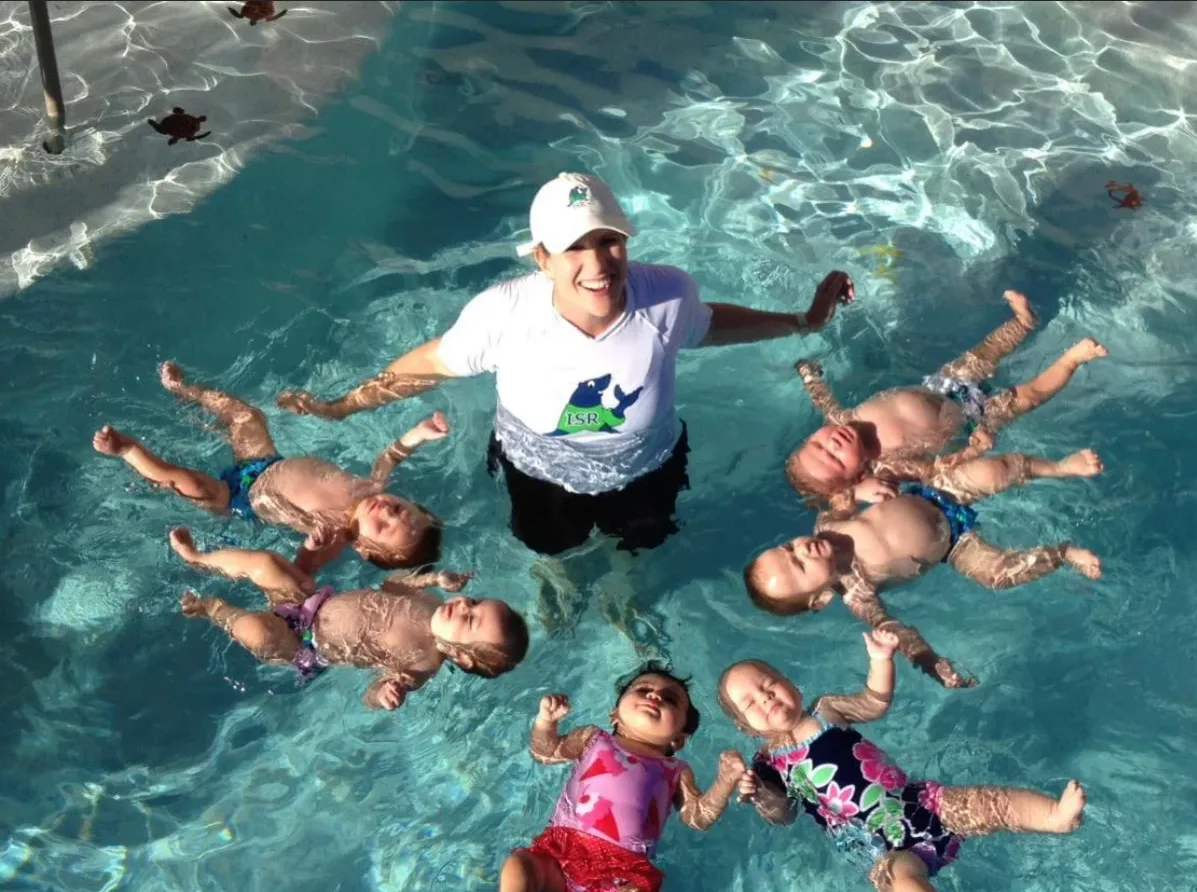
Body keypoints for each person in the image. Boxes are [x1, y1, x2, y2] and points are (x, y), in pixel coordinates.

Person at [275, 172, 855, 558]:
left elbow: (710, 324)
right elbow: (425, 366)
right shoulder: (504, 314)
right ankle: (559, 583)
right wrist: (343, 406)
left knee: (642, 544)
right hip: (538, 471)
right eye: (576, 247)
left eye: (609, 241)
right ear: (544, 258)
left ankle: (623, 596)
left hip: (648, 464)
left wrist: (804, 321)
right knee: (550, 549)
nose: (598, 263)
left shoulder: (667, 295)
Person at [718, 636, 1087, 892]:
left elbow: (874, 703)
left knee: (989, 801)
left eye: (769, 683)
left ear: (789, 681)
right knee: (899, 878)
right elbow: (784, 815)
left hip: (920, 803)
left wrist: (881, 661)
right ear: (745, 727)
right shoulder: (767, 766)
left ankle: (1053, 816)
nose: (765, 696)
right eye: (750, 702)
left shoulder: (826, 710)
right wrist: (758, 795)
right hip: (876, 846)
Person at [743, 449, 1104, 687]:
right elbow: (892, 628)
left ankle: (1059, 467)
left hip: (937, 493)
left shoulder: (828, 524)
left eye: (789, 547)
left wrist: (862, 489)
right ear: (820, 599)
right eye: (800, 566)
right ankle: (1064, 553)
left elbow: (842, 492)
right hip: (955, 545)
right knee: (997, 575)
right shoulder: (858, 593)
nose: (803, 549)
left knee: (995, 469)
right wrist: (929, 660)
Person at [93, 362, 446, 571]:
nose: (385, 510)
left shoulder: (339, 535)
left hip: (242, 499)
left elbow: (305, 570)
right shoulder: (372, 488)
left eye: (383, 526)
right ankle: (184, 390)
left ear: (365, 548)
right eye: (398, 508)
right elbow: (390, 457)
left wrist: (310, 546)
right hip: (263, 463)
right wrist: (418, 434)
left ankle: (127, 450)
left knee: (195, 486)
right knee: (246, 415)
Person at [787, 290, 1108, 502]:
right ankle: (1072, 359)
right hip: (972, 419)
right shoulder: (887, 467)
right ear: (857, 474)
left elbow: (822, 398)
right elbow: (935, 470)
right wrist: (971, 452)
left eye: (817, 443)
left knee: (986, 352)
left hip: (940, 386)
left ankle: (1023, 323)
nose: (832, 444)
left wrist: (808, 373)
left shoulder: (840, 418)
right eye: (833, 458)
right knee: (1029, 395)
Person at [497, 665, 747, 892]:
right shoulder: (593, 739)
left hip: (622, 880)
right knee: (519, 865)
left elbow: (696, 817)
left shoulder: (675, 771)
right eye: (643, 689)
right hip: (562, 857)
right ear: (614, 714)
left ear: (680, 739)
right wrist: (546, 722)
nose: (655, 696)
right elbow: (546, 752)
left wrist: (725, 782)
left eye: (670, 699)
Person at [169, 527, 528, 705]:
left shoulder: (422, 662)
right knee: (265, 564)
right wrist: (431, 577)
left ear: (461, 655)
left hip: (303, 645)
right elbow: (390, 583)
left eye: (469, 620)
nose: (464, 605)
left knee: (259, 632)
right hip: (309, 601)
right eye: (475, 602)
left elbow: (369, 695)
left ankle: (212, 608)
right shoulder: (432, 600)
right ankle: (199, 558)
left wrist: (384, 692)